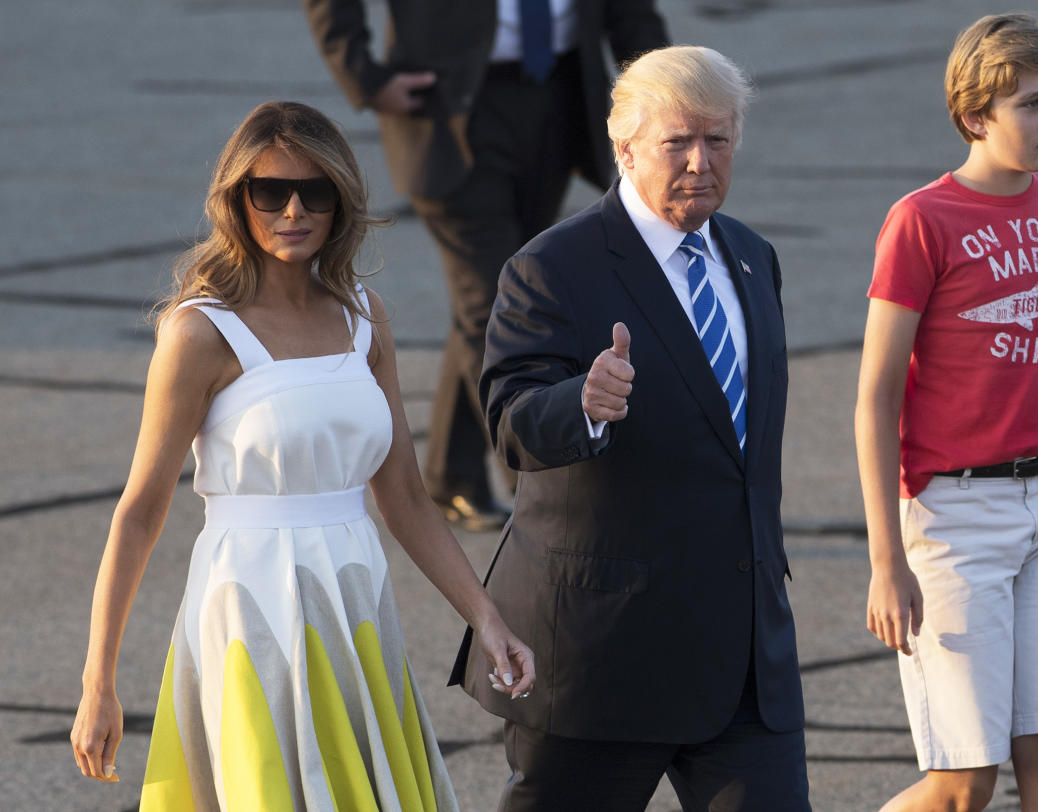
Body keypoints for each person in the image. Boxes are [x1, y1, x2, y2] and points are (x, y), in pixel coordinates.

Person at [69, 100, 534, 809]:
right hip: (250, 606)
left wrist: (486, 617)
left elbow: (406, 497)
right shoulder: (200, 332)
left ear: (341, 202)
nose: (293, 209)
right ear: (237, 201)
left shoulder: (363, 316)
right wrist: (97, 682)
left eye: (315, 191)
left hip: (355, 598)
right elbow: (139, 512)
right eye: (269, 192)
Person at [446, 45, 810, 811]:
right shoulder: (553, 267)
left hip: (742, 655)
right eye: (678, 142)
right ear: (624, 147)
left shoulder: (751, 256)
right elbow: (512, 425)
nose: (700, 162)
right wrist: (581, 402)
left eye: (719, 140)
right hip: (604, 657)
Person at [855, 13, 1038, 811]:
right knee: (964, 783)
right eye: (1031, 104)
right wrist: (885, 560)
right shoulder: (922, 220)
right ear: (976, 115)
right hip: (956, 517)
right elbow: (875, 397)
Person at [303, 0, 669, 531]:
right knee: (494, 299)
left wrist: (668, 84)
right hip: (445, 108)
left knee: (501, 292)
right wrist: (363, 73)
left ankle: (454, 475)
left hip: (560, 96)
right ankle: (546, 487)